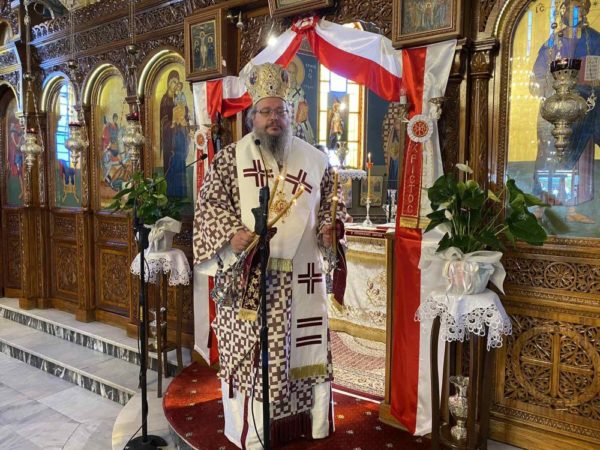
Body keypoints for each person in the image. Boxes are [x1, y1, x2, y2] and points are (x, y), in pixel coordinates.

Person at [193, 63, 345, 449]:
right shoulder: (230, 159)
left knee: (301, 351)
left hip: (301, 279)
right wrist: (232, 234)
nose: (273, 118)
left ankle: (304, 423)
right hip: (250, 279)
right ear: (253, 116)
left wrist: (331, 229)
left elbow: (332, 204)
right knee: (255, 357)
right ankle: (254, 431)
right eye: (266, 111)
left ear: (290, 114)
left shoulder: (315, 160)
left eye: (280, 111)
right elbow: (209, 207)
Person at [530, 0, 600, 223]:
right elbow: (538, 72)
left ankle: (572, 209)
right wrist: (543, 83)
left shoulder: (594, 39)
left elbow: (597, 73)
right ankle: (540, 206)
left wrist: (588, 82)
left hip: (584, 107)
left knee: (578, 156)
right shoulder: (554, 40)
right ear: (563, 11)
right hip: (556, 104)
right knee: (547, 153)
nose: (574, 12)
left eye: (579, 7)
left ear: (586, 11)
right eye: (570, 7)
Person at [160, 70, 189, 198]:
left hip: (179, 136)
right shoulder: (165, 100)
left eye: (177, 82)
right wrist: (171, 123)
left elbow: (186, 114)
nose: (175, 85)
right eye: (173, 82)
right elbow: (162, 122)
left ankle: (181, 195)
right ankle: (170, 195)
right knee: (170, 164)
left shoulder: (180, 98)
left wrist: (183, 119)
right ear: (168, 83)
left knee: (180, 162)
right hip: (169, 139)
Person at [286, 58, 316, 144]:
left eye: (293, 73)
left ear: (296, 74)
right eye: (289, 72)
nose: (291, 75)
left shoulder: (299, 92)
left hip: (296, 128)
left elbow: (303, 115)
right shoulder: (281, 91)